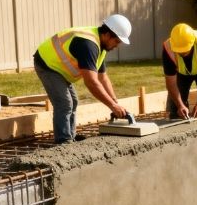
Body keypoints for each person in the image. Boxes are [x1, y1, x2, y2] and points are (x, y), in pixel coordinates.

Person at [33, 14, 132, 144]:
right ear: (108, 34)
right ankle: (63, 140)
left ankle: (71, 136)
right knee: (64, 103)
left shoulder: (100, 46)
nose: (117, 45)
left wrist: (115, 102)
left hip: (59, 68)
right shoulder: (88, 45)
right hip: (47, 64)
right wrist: (112, 106)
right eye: (117, 41)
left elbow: (103, 77)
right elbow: (91, 82)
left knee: (73, 101)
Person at [162, 23, 197, 119]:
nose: (181, 53)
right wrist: (180, 105)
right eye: (178, 51)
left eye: (184, 51)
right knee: (175, 110)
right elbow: (170, 82)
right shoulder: (168, 48)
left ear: (192, 43)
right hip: (181, 72)